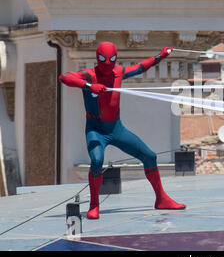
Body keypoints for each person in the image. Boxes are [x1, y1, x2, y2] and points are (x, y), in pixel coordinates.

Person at [59, 41, 186, 219]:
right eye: (104, 60)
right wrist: (89, 86)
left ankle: (161, 198)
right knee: (97, 160)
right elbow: (64, 77)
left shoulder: (118, 72)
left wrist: (160, 56)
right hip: (96, 130)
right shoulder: (89, 75)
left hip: (116, 129)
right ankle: (94, 205)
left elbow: (140, 67)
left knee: (149, 156)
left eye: (111, 60)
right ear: (98, 58)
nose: (108, 64)